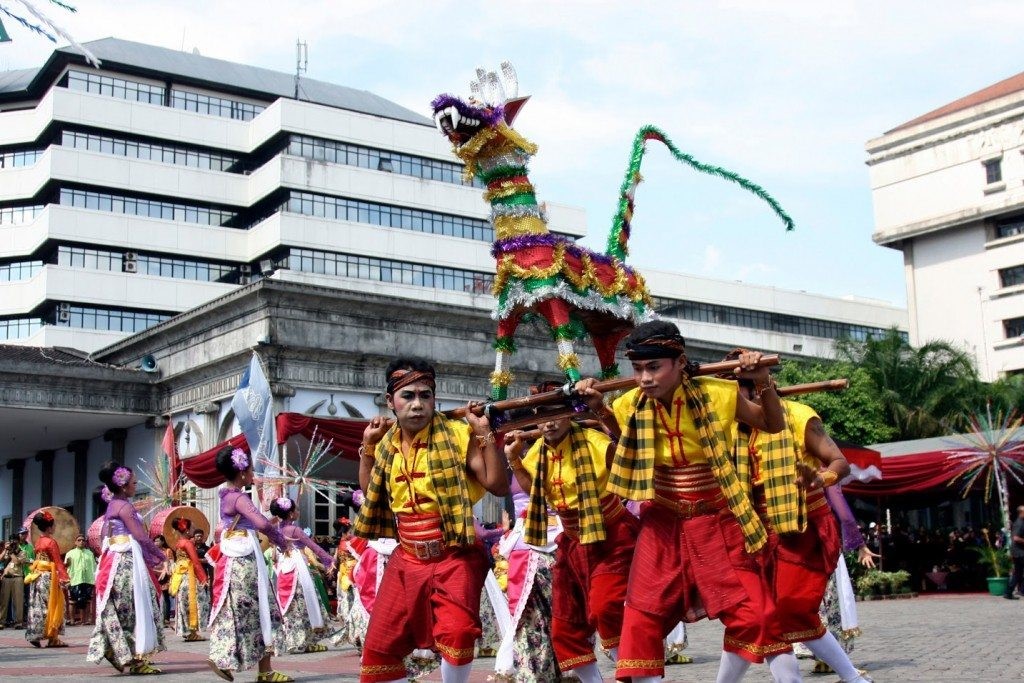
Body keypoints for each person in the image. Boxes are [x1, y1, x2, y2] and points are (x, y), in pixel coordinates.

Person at [574, 320, 785, 683]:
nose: (644, 378)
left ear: (680, 361)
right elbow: (627, 444)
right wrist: (598, 408)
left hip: (717, 519)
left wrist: (763, 380)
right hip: (662, 522)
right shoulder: (627, 405)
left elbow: (772, 424)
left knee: (755, 616)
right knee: (641, 618)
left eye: (654, 367)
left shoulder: (720, 393)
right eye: (638, 369)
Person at [354, 357, 510, 683]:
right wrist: (368, 447)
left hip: (453, 553)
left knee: (457, 634)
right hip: (407, 557)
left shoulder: (456, 434)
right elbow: (371, 492)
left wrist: (483, 435)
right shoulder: (385, 443)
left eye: (426, 395)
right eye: (408, 396)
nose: (417, 405)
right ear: (390, 401)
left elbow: (496, 485)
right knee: (379, 648)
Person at [732, 364, 872, 683]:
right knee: (760, 614)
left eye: (734, 393)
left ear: (754, 390)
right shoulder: (729, 429)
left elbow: (841, 464)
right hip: (759, 533)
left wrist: (819, 478)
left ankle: (853, 678)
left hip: (805, 527)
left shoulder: (798, 416)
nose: (726, 401)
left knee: (789, 610)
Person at [504, 382, 638, 682]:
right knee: (564, 627)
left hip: (611, 538)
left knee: (606, 609)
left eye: (555, 413)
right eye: (541, 415)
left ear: (569, 413)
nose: (548, 421)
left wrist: (604, 414)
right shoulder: (536, 449)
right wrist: (513, 459)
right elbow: (535, 490)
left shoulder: (594, 441)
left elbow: (627, 458)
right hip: (572, 542)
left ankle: (635, 676)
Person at [206, 446, 292, 683]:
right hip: (244, 564)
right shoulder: (239, 498)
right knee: (252, 609)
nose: (254, 474)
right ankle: (222, 656)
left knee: (256, 610)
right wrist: (282, 541)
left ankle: (265, 670)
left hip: (238, 558)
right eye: (251, 469)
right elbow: (261, 524)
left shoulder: (226, 496)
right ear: (242, 472)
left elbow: (259, 523)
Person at [86, 464, 167, 674]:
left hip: (112, 560)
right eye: (133, 483)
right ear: (123, 486)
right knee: (136, 606)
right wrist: (160, 555)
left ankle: (118, 650)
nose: (136, 485)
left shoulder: (111, 507)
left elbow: (105, 537)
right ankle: (136, 658)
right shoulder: (125, 507)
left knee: (121, 607)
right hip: (126, 561)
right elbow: (140, 536)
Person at [493, 478, 562, 682]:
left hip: (564, 545)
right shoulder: (509, 454)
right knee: (528, 626)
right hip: (526, 553)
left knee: (565, 625)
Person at [269, 497, 335, 654]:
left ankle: (294, 640)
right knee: (306, 603)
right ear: (291, 514)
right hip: (299, 569)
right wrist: (329, 560)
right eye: (296, 510)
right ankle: (308, 640)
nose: (298, 512)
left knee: (290, 606)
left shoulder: (277, 530)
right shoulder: (295, 531)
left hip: (283, 567)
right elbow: (313, 547)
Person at [24, 511, 70, 648]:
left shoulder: (38, 542)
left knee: (38, 606)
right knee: (54, 605)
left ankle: (35, 634)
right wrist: (64, 578)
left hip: (38, 576)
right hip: (49, 577)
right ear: (49, 527)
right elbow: (57, 562)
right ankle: (53, 638)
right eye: (53, 525)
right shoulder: (51, 542)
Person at [168, 517, 210, 642]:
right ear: (186, 530)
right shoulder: (188, 543)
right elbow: (196, 562)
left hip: (181, 577)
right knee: (195, 603)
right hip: (189, 577)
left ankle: (188, 631)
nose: (193, 529)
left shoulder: (178, 543)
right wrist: (203, 578)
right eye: (191, 527)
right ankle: (192, 632)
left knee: (184, 604)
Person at [64, 534, 97, 627]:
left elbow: (94, 567)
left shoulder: (89, 553)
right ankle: (72, 620)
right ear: (75, 542)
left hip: (88, 579)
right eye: (79, 540)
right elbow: (65, 567)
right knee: (72, 601)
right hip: (74, 579)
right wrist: (66, 580)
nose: (81, 542)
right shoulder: (70, 553)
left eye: (83, 540)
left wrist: (95, 579)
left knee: (86, 601)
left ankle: (85, 620)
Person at [0, 535, 27, 628]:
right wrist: (5, 550)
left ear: (18, 542)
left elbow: (16, 562)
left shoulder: (22, 552)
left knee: (18, 601)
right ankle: (1, 622)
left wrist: (11, 552)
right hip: (6, 578)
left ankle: (18, 622)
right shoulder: (7, 551)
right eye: (11, 541)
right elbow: (0, 559)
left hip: (17, 578)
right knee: (4, 601)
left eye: (14, 541)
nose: (13, 543)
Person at [154, 535, 173, 627]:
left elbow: (170, 562)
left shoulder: (167, 551)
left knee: (165, 597)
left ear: (162, 541)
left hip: (165, 576)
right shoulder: (152, 552)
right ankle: (157, 618)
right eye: (155, 541)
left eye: (158, 541)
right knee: (156, 597)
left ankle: (166, 618)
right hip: (155, 575)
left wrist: (166, 571)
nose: (156, 543)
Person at [17, 526, 35, 627]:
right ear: (18, 534)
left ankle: (28, 619)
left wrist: (29, 561)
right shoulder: (15, 546)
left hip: (28, 575)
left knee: (29, 598)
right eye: (22, 534)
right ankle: (19, 620)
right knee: (19, 598)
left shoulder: (30, 547)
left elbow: (33, 560)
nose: (24, 536)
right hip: (18, 575)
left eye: (25, 534)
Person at [1005, 505, 1024, 600]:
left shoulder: (1020, 522)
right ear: (1021, 512)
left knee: (1018, 573)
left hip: (1018, 552)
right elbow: (1016, 538)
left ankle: (1008, 592)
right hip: (1020, 552)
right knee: (1018, 572)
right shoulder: (1019, 523)